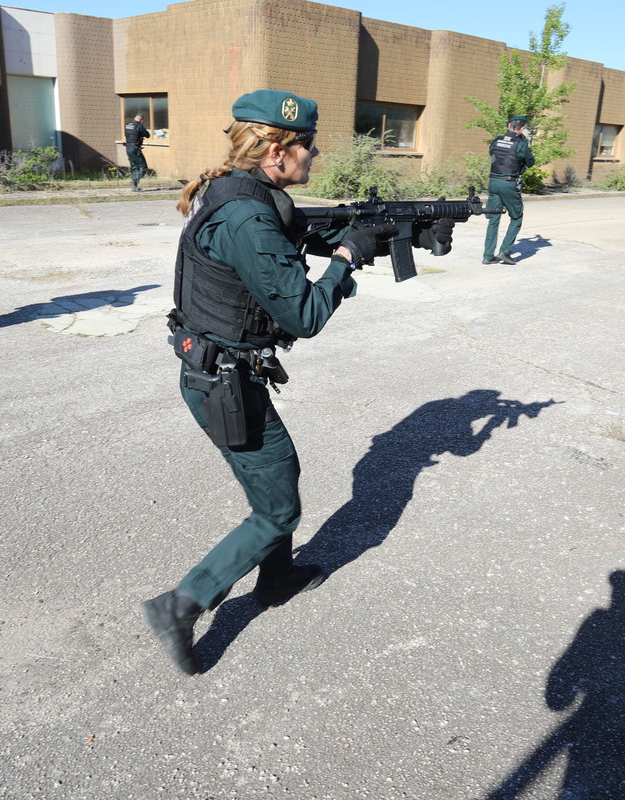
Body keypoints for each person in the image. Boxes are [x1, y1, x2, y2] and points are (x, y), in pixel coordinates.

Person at [139, 89, 452, 675]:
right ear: (276, 152)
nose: (316, 154)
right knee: (278, 510)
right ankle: (180, 605)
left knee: (281, 478)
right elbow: (303, 315)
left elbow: (282, 240)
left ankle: (276, 578)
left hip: (227, 377)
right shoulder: (246, 217)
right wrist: (347, 259)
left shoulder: (248, 195)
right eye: (308, 145)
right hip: (224, 385)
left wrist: (340, 234)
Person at [482, 116, 535, 266]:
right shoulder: (520, 144)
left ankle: (488, 256)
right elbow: (531, 162)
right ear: (522, 128)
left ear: (509, 125)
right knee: (516, 217)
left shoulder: (497, 140)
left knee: (493, 219)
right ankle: (505, 252)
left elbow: (492, 153)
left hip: (493, 181)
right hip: (508, 183)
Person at [124, 113, 150, 191]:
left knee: (134, 167)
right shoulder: (139, 125)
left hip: (128, 148)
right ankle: (134, 181)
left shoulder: (127, 124)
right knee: (143, 168)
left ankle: (134, 188)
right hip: (135, 149)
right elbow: (147, 135)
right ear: (142, 120)